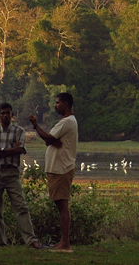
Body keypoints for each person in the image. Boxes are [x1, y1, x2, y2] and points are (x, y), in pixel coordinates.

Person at [0, 102, 46, 249]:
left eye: (8, 113)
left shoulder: (19, 131)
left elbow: (20, 150)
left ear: (12, 115)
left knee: (21, 206)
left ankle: (31, 240)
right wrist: (10, 149)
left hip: (12, 173)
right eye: (3, 113)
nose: (5, 115)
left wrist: (0, 151)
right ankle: (0, 241)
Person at [29, 93, 77, 253]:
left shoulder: (67, 121)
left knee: (62, 205)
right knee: (60, 205)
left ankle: (65, 244)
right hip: (58, 169)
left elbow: (48, 138)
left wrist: (36, 126)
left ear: (66, 103)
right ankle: (62, 242)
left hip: (61, 169)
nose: (55, 105)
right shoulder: (66, 122)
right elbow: (52, 140)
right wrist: (51, 141)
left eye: (57, 103)